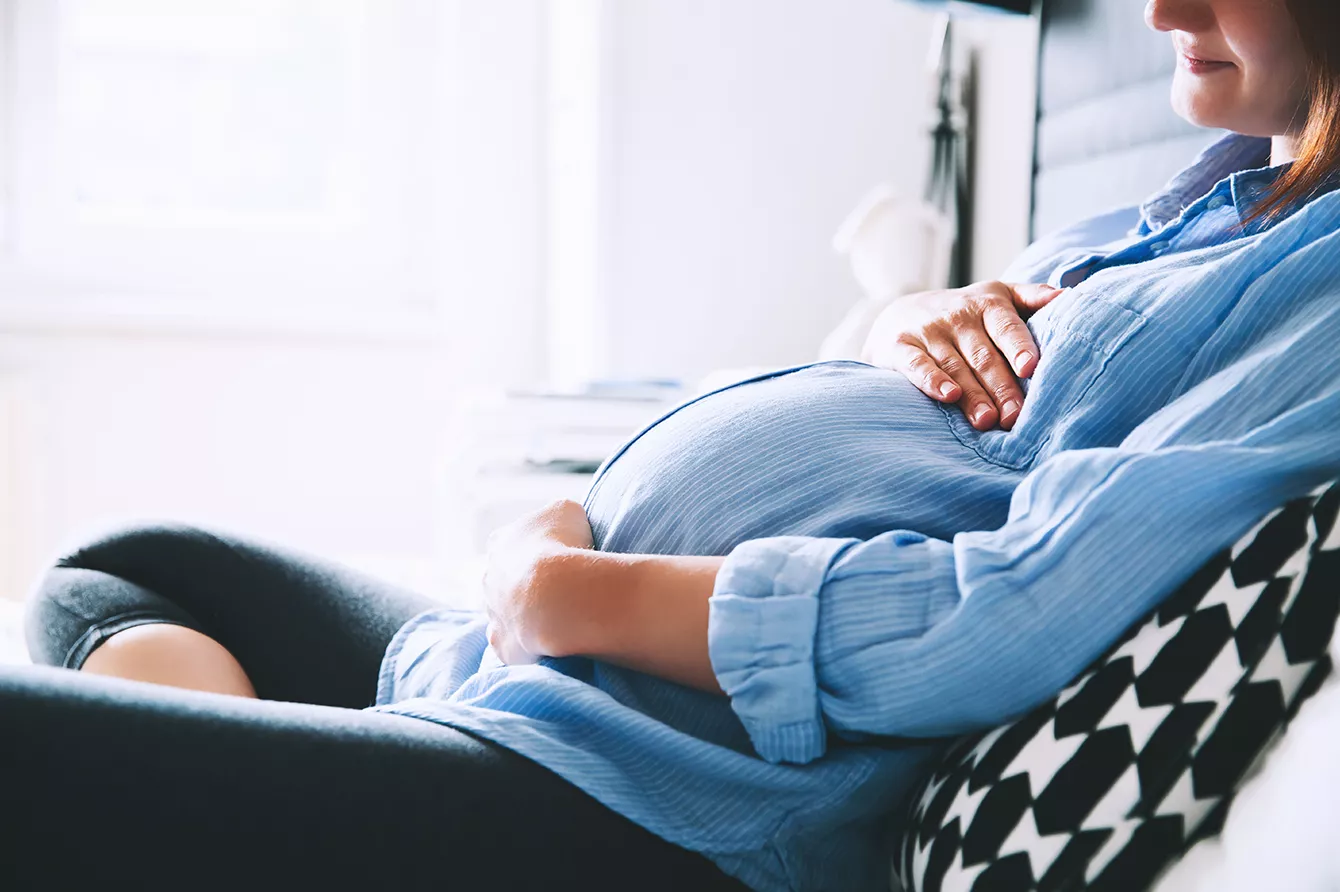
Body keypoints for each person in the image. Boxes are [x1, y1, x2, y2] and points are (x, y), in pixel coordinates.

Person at [8, 1, 1340, 890]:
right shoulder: (1212, 201)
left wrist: (577, 593)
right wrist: (902, 325)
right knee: (125, 574)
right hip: (542, 683)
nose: (1159, 11)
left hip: (657, 795)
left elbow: (1006, 609)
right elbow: (946, 431)